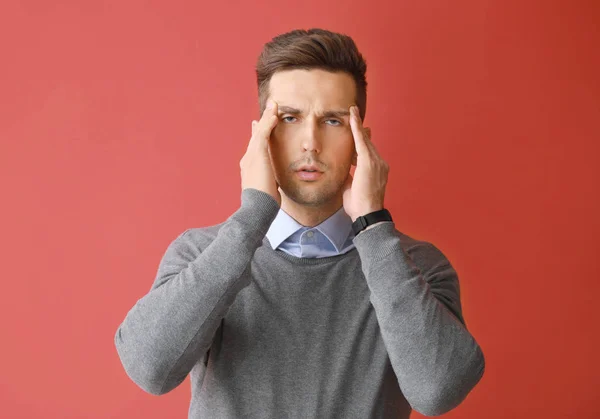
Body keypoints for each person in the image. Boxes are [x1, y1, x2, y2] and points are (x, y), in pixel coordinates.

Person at [114, 28, 485, 418]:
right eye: (290, 118)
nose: (310, 142)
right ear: (261, 137)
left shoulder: (416, 267)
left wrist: (374, 227)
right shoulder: (202, 254)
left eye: (333, 121)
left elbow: (438, 391)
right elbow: (149, 369)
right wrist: (251, 217)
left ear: (363, 142)